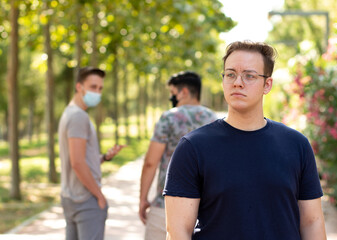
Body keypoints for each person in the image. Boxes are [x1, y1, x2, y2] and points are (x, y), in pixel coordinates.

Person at [163, 41, 327, 239]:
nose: (237, 82)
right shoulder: (192, 148)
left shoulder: (297, 145)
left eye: (249, 76)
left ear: (267, 84)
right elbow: (178, 231)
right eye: (230, 74)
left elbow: (312, 222)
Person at [139, 71, 218, 240]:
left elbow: (150, 163)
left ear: (184, 92)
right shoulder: (214, 119)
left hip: (166, 204)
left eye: (172, 93)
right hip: (204, 207)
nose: (171, 98)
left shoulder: (168, 118)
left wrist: (143, 198)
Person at [58, 67, 125, 240]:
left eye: (100, 88)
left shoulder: (68, 113)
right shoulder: (78, 117)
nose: (97, 92)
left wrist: (104, 158)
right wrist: (99, 196)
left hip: (70, 198)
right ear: (79, 86)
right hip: (85, 200)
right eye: (93, 87)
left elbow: (79, 158)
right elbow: (77, 163)